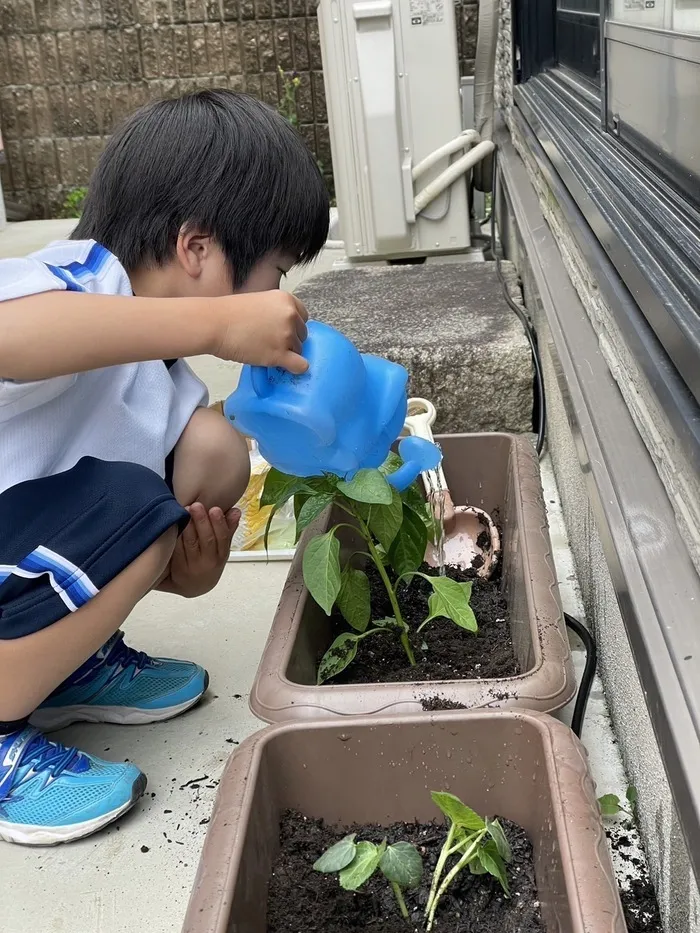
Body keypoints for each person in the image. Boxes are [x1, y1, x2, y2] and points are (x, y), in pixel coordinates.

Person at [0, 89, 329, 845]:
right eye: (274, 272)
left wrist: (179, 572)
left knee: (212, 448)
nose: (277, 299)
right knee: (132, 502)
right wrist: (219, 321)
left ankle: (62, 667)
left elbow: (174, 492)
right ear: (196, 249)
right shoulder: (74, 279)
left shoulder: (166, 378)